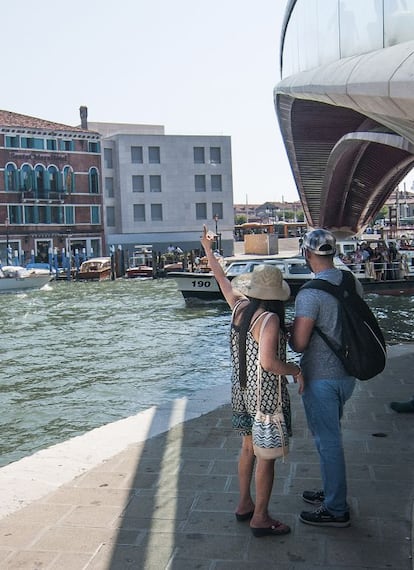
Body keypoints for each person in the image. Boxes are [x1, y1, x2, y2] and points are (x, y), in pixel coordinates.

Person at [200, 225, 304, 538]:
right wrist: (297, 371)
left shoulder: (241, 308)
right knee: (267, 458)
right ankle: (261, 517)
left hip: (242, 393)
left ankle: (244, 503)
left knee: (247, 449)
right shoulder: (270, 319)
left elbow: (222, 282)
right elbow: (269, 362)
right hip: (266, 400)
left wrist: (207, 249)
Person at [289, 228, 360, 528]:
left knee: (328, 442)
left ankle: (336, 509)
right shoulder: (351, 281)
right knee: (329, 439)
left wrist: (288, 335)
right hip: (348, 376)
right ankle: (332, 491)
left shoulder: (310, 293)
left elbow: (301, 343)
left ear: (307, 254)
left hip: (321, 377)